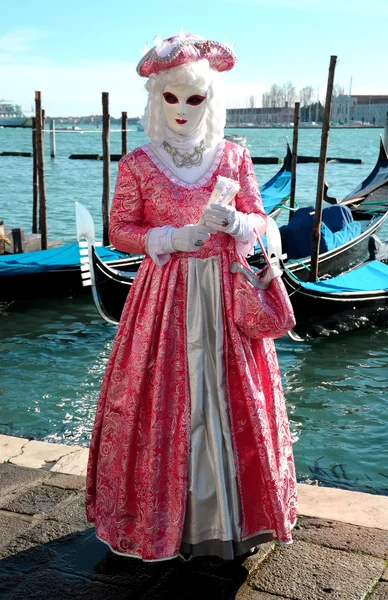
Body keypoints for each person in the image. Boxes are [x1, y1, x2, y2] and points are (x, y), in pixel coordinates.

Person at [85, 32, 297, 562]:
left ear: (211, 100)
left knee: (233, 401)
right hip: (163, 300)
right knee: (161, 402)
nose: (181, 109)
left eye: (194, 98)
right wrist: (171, 238)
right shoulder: (137, 163)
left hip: (227, 298)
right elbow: (120, 230)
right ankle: (161, 524)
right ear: (156, 99)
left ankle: (234, 521)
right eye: (170, 97)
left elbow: (266, 227)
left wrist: (241, 222)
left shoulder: (234, 158)